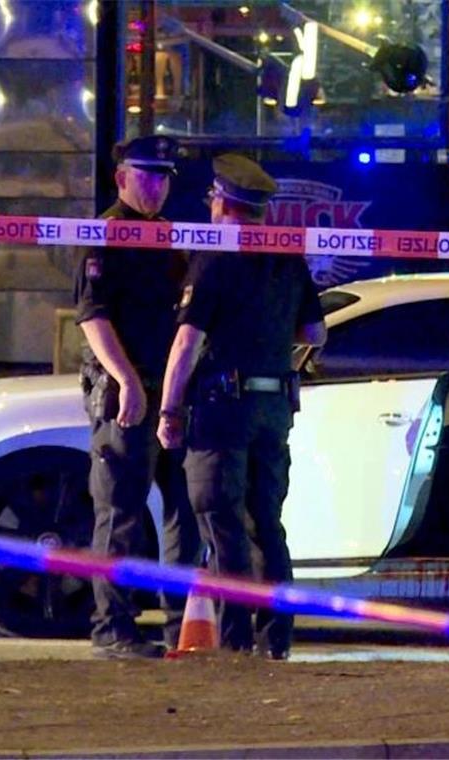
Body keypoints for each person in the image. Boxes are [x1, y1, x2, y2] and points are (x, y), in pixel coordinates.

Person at [157, 154, 327, 660]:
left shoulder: (214, 256)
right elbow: (317, 332)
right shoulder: (286, 255)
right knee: (267, 523)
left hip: (223, 411)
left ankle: (233, 643)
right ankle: (276, 640)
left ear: (223, 201)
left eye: (211, 198)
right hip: (274, 409)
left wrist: (168, 410)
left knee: (222, 521)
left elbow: (187, 342)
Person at [73, 135, 202, 659]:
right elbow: (92, 317)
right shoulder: (104, 234)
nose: (157, 185)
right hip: (126, 393)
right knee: (120, 514)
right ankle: (113, 630)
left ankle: (181, 629)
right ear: (120, 177)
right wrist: (126, 380)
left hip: (170, 392)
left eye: (165, 176)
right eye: (147, 175)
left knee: (184, 513)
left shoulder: (170, 236)